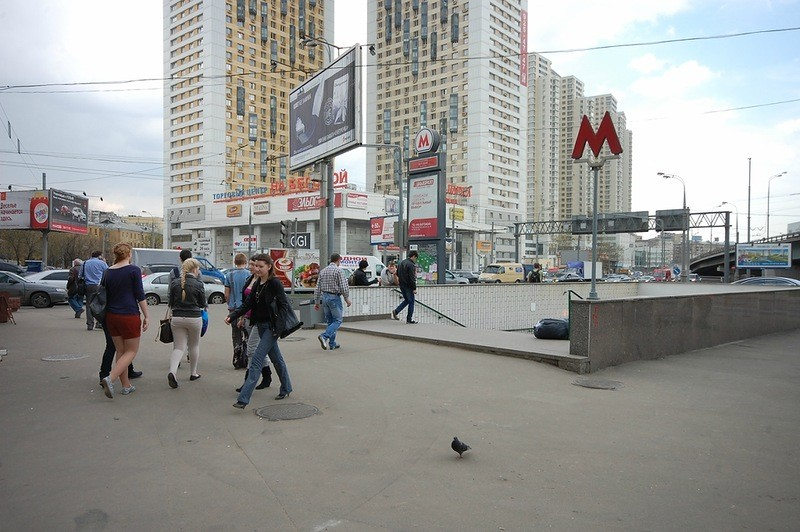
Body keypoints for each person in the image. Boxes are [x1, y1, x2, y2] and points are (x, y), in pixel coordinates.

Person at [226, 254, 293, 408]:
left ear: (269, 267)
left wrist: (279, 327)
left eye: (260, 266)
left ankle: (243, 399)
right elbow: (247, 304)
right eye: (255, 266)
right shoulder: (257, 284)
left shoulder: (275, 283)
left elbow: (283, 305)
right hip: (260, 326)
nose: (256, 269)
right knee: (277, 359)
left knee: (256, 360)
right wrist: (233, 316)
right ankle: (286, 387)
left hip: (271, 328)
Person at [99, 243, 150, 399]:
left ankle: (126, 385)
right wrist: (146, 316)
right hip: (128, 315)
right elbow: (139, 295)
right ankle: (110, 378)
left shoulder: (108, 272)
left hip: (111, 316)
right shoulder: (133, 270)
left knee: (120, 351)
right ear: (129, 254)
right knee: (131, 351)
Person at [166, 258, 206, 388]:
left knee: (178, 347)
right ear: (194, 269)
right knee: (194, 346)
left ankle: (172, 371)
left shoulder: (175, 283)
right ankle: (193, 373)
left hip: (177, 318)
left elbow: (170, 301)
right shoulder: (198, 283)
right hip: (194, 318)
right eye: (198, 268)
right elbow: (202, 303)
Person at [234, 257, 272, 392]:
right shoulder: (250, 280)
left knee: (251, 350)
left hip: (260, 321)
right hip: (248, 319)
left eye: (254, 264)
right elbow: (246, 302)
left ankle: (248, 382)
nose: (251, 267)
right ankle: (267, 375)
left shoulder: (266, 281)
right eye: (251, 264)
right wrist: (241, 317)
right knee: (259, 350)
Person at [313, 253, 352, 350]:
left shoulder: (323, 271)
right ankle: (324, 336)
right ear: (338, 260)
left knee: (330, 322)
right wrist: (347, 299)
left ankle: (332, 343)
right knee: (338, 320)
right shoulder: (338, 271)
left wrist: (317, 301)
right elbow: (344, 287)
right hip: (334, 297)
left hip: (324, 297)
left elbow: (317, 287)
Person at [225, 253, 250, 352]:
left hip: (234, 309)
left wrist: (229, 303)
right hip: (247, 309)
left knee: (236, 333)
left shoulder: (229, 275)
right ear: (246, 262)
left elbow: (226, 294)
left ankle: (237, 354)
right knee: (248, 333)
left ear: (235, 262)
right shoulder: (250, 275)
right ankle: (247, 355)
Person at [82, 251, 109, 330]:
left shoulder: (85, 263)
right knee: (101, 304)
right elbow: (108, 273)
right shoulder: (102, 263)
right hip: (99, 285)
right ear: (99, 256)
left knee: (89, 304)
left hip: (88, 286)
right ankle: (99, 323)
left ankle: (90, 324)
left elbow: (81, 275)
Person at [391, 250, 418, 324]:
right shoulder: (411, 265)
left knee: (407, 300)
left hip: (402, 285)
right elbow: (412, 278)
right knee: (411, 302)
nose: (415, 260)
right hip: (408, 286)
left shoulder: (401, 263)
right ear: (414, 256)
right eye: (416, 258)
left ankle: (396, 311)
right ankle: (409, 319)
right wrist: (414, 288)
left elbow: (398, 273)